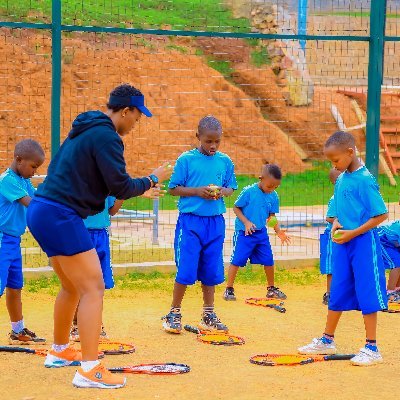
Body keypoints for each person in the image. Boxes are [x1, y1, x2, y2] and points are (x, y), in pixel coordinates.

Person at [26, 83, 172, 389]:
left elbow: (94, 179)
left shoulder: (86, 126)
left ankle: (60, 350)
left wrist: (137, 186)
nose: (137, 123)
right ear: (126, 110)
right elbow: (120, 186)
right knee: (93, 286)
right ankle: (89, 369)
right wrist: (153, 178)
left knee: (72, 286)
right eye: (137, 116)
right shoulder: (108, 135)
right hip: (60, 214)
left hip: (42, 210)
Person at [298, 131, 388, 366]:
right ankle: (327, 340)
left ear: (350, 152)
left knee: (367, 290)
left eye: (336, 160)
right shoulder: (342, 178)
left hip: (362, 243)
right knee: (337, 290)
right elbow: (338, 207)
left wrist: (353, 232)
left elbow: (381, 214)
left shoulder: (365, 180)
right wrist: (337, 221)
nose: (333, 165)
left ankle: (372, 347)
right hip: (342, 243)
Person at [162, 115, 237, 334]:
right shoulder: (186, 160)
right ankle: (173, 313)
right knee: (186, 268)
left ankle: (208, 314)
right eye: (208, 141)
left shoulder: (225, 161)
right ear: (198, 137)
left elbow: (231, 187)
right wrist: (197, 191)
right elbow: (173, 188)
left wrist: (222, 192)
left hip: (215, 223)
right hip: (191, 223)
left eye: (217, 141)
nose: (213, 146)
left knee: (211, 268)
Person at [0, 139, 46, 345]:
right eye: (33, 167)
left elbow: (38, 199)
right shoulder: (7, 180)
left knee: (15, 286)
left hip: (13, 241)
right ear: (19, 160)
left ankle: (17, 330)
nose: (35, 172)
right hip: (1, 241)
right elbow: (32, 204)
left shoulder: (24, 181)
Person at [223, 163, 290, 301]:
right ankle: (229, 289)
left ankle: (271, 289)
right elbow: (236, 208)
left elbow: (271, 217)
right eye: (270, 186)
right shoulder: (248, 192)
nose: (272, 189)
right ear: (261, 178)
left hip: (261, 234)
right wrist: (246, 222)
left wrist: (279, 232)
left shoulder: (273, 196)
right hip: (244, 233)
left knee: (269, 260)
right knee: (237, 260)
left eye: (276, 186)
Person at [319, 168, 341, 305]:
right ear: (335, 182)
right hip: (332, 236)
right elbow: (329, 217)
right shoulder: (335, 199)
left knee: (342, 265)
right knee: (331, 266)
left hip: (344, 235)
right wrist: (340, 222)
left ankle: (341, 291)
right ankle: (329, 293)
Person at [377, 220, 400, 302]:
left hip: (392, 241)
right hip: (382, 239)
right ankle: (390, 292)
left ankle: (397, 290)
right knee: (396, 264)